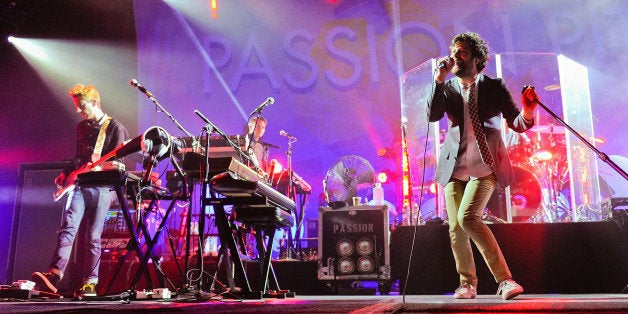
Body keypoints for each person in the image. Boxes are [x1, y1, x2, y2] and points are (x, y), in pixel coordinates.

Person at [427, 32, 539, 300]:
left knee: (468, 218)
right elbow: (432, 115)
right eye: (454, 50)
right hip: (454, 167)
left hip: (485, 165)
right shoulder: (449, 87)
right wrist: (438, 81)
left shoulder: (494, 86)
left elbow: (518, 124)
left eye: (462, 52)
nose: (455, 55)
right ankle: (467, 284)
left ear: (477, 59)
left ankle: (505, 280)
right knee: (455, 227)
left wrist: (528, 110)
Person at [31, 84, 129, 297]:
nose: (78, 111)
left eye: (81, 106)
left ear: (95, 103)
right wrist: (66, 173)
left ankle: (91, 283)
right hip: (80, 185)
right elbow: (79, 157)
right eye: (76, 106)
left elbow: (118, 162)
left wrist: (100, 164)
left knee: (93, 235)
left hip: (102, 188)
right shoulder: (82, 127)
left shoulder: (115, 128)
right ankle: (55, 275)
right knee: (68, 228)